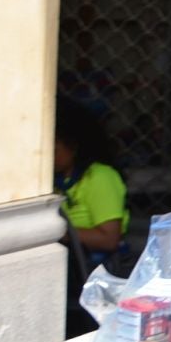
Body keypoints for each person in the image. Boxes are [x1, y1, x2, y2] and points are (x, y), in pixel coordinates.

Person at [55, 94, 127, 264]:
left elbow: (109, 239)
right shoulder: (51, 180)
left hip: (91, 265)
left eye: (55, 149)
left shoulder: (99, 177)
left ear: (73, 145)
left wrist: (55, 232)